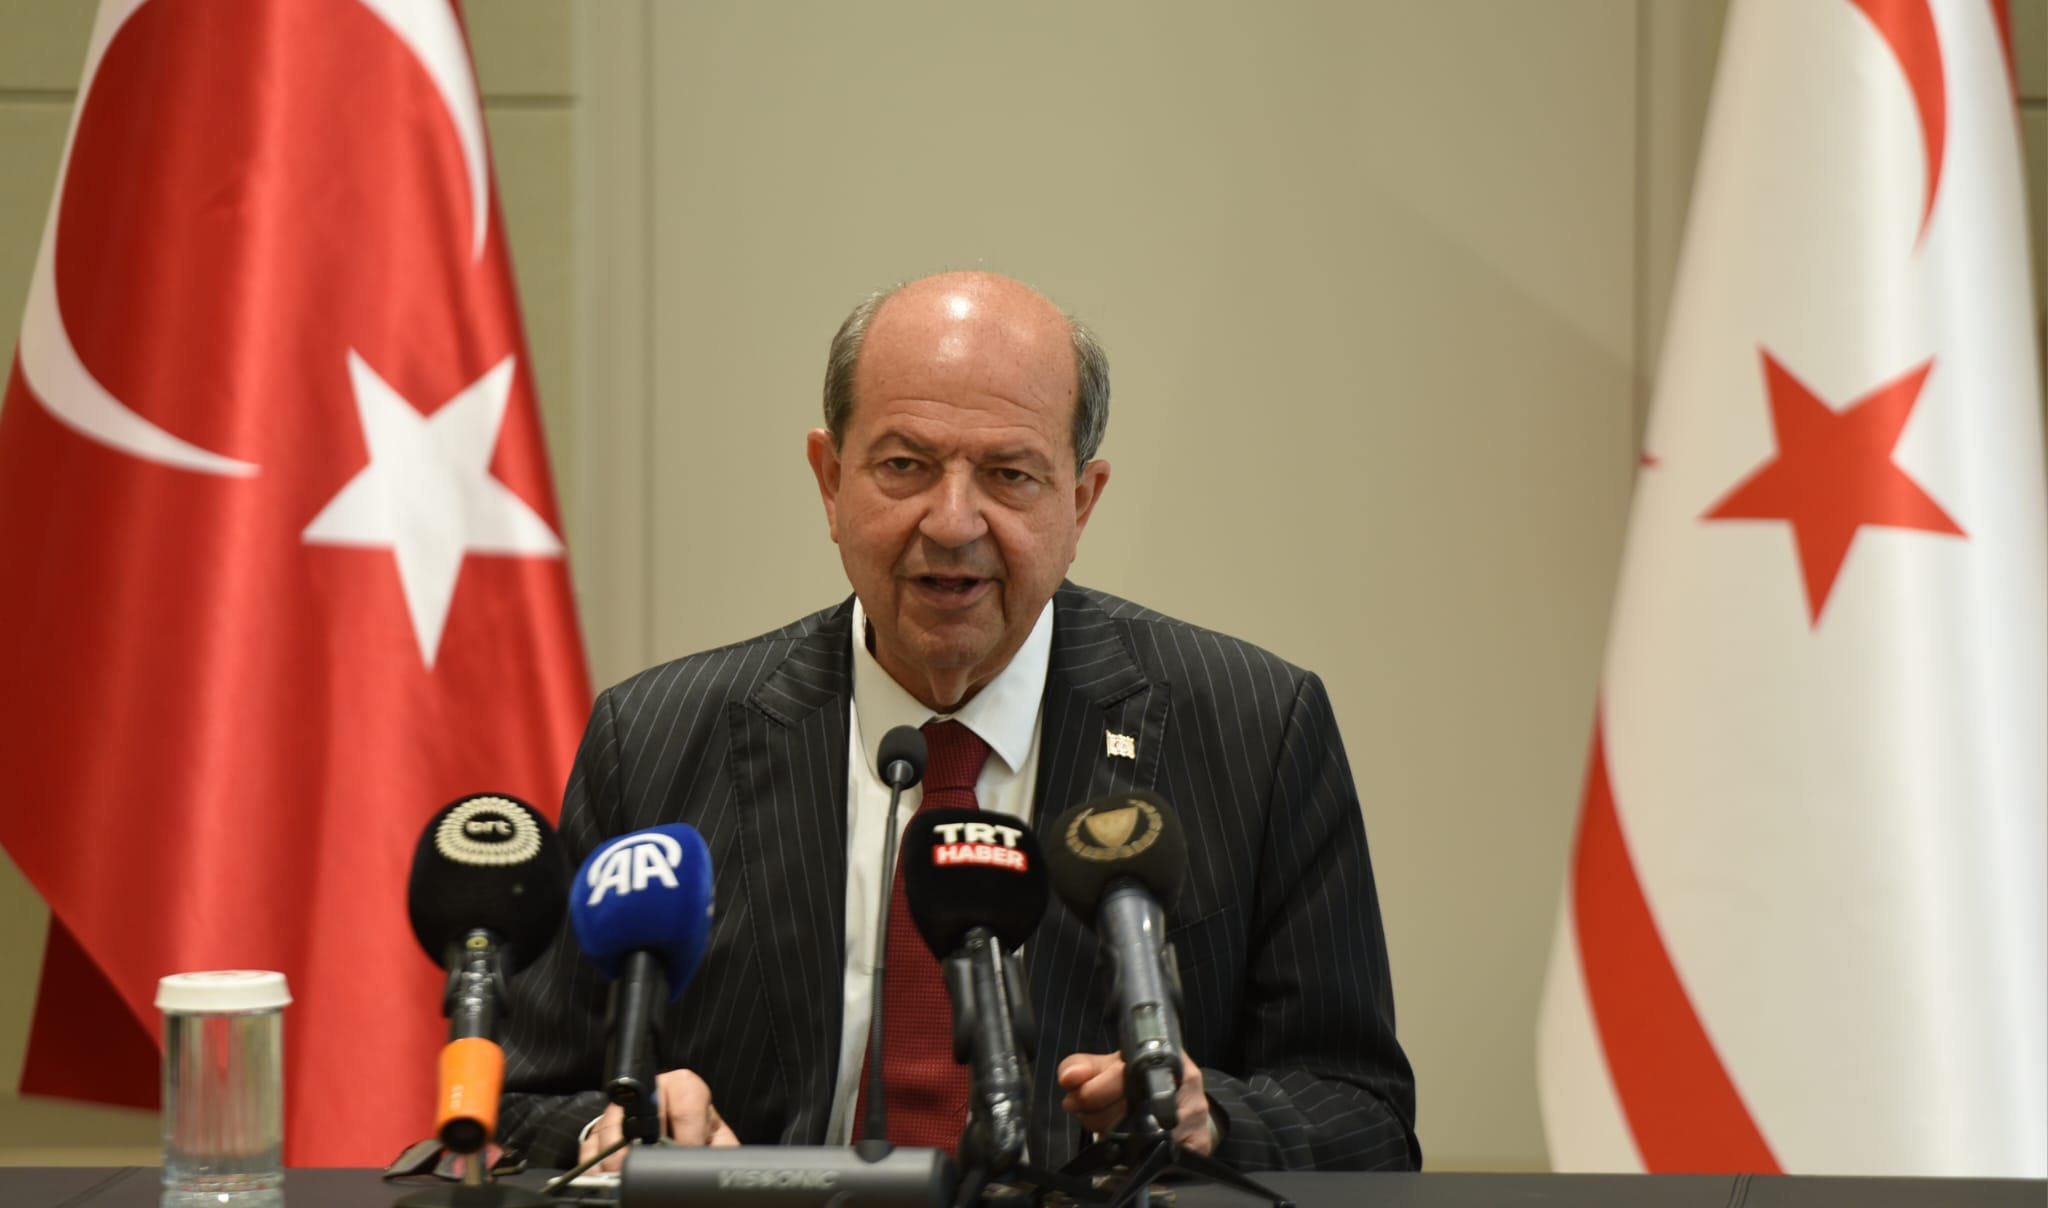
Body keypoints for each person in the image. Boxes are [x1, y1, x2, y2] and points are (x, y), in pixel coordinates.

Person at [498, 271, 1420, 1173]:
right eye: (905, 466)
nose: (951, 522)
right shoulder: (654, 740)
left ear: (1081, 503)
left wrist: (1208, 1117)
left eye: (1010, 475)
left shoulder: (1254, 730)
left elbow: (1363, 1112)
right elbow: (533, 1096)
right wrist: (621, 1130)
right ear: (830, 480)